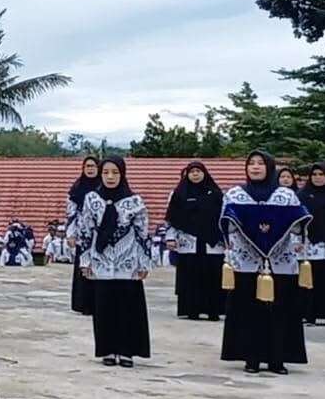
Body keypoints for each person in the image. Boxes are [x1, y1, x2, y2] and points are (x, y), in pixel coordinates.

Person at [220, 151, 312, 375]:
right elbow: (226, 224)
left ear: (269, 167)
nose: (255, 167)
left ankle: (277, 358)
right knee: (248, 310)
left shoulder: (286, 195)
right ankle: (251, 358)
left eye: (261, 163)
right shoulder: (235, 194)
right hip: (246, 261)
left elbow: (300, 224)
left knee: (280, 310)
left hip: (280, 262)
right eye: (251, 163)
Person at [69, 157, 151, 368]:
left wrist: (144, 263)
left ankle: (127, 351)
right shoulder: (91, 199)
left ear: (122, 174)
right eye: (106, 172)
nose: (110, 177)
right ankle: (107, 349)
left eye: (115, 172)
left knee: (127, 308)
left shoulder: (135, 202)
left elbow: (143, 233)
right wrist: (85, 262)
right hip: (101, 261)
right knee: (104, 308)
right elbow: (85, 231)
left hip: (128, 261)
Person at [166, 162, 226, 322]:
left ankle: (213, 311)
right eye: (192, 172)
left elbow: (224, 218)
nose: (195, 174)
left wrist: (227, 238)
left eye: (198, 171)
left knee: (212, 278)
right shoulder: (178, 194)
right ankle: (191, 310)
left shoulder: (216, 193)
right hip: (188, 243)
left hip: (212, 244)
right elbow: (171, 218)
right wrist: (170, 237)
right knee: (190, 278)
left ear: (204, 173)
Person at [65, 157, 101, 315]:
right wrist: (71, 234)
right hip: (82, 234)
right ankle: (83, 304)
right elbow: (71, 214)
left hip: (101, 234)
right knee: (83, 268)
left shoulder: (103, 186)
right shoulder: (77, 188)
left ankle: (99, 303)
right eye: (87, 166)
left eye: (93, 166)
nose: (90, 169)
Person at [302, 164, 325, 326]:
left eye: (321, 174)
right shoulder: (303, 195)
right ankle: (309, 314)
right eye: (314, 174)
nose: (318, 177)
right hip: (310, 245)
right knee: (310, 280)